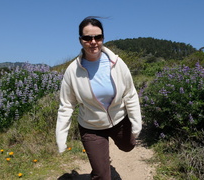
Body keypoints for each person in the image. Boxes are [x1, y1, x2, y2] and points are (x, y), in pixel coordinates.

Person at [56, 16, 142, 180]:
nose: (93, 41)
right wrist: (61, 136)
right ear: (80, 40)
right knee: (102, 176)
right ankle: (101, 162)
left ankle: (105, 160)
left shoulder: (116, 63)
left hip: (118, 120)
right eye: (88, 38)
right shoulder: (72, 71)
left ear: (103, 38)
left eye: (98, 37)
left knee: (128, 146)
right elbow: (66, 105)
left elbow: (130, 94)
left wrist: (136, 122)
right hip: (91, 126)